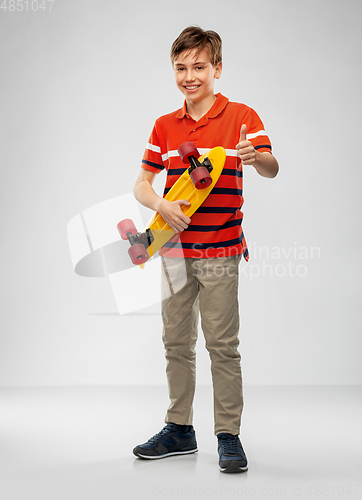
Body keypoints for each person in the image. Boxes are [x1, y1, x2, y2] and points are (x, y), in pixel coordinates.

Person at [132, 26, 279, 473]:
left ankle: (228, 435)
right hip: (174, 252)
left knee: (221, 345)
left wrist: (256, 157)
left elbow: (272, 167)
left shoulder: (242, 116)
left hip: (220, 252)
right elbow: (141, 184)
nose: (189, 76)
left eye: (199, 66)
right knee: (176, 342)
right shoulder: (165, 125)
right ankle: (180, 429)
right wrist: (160, 203)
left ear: (217, 68)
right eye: (181, 67)